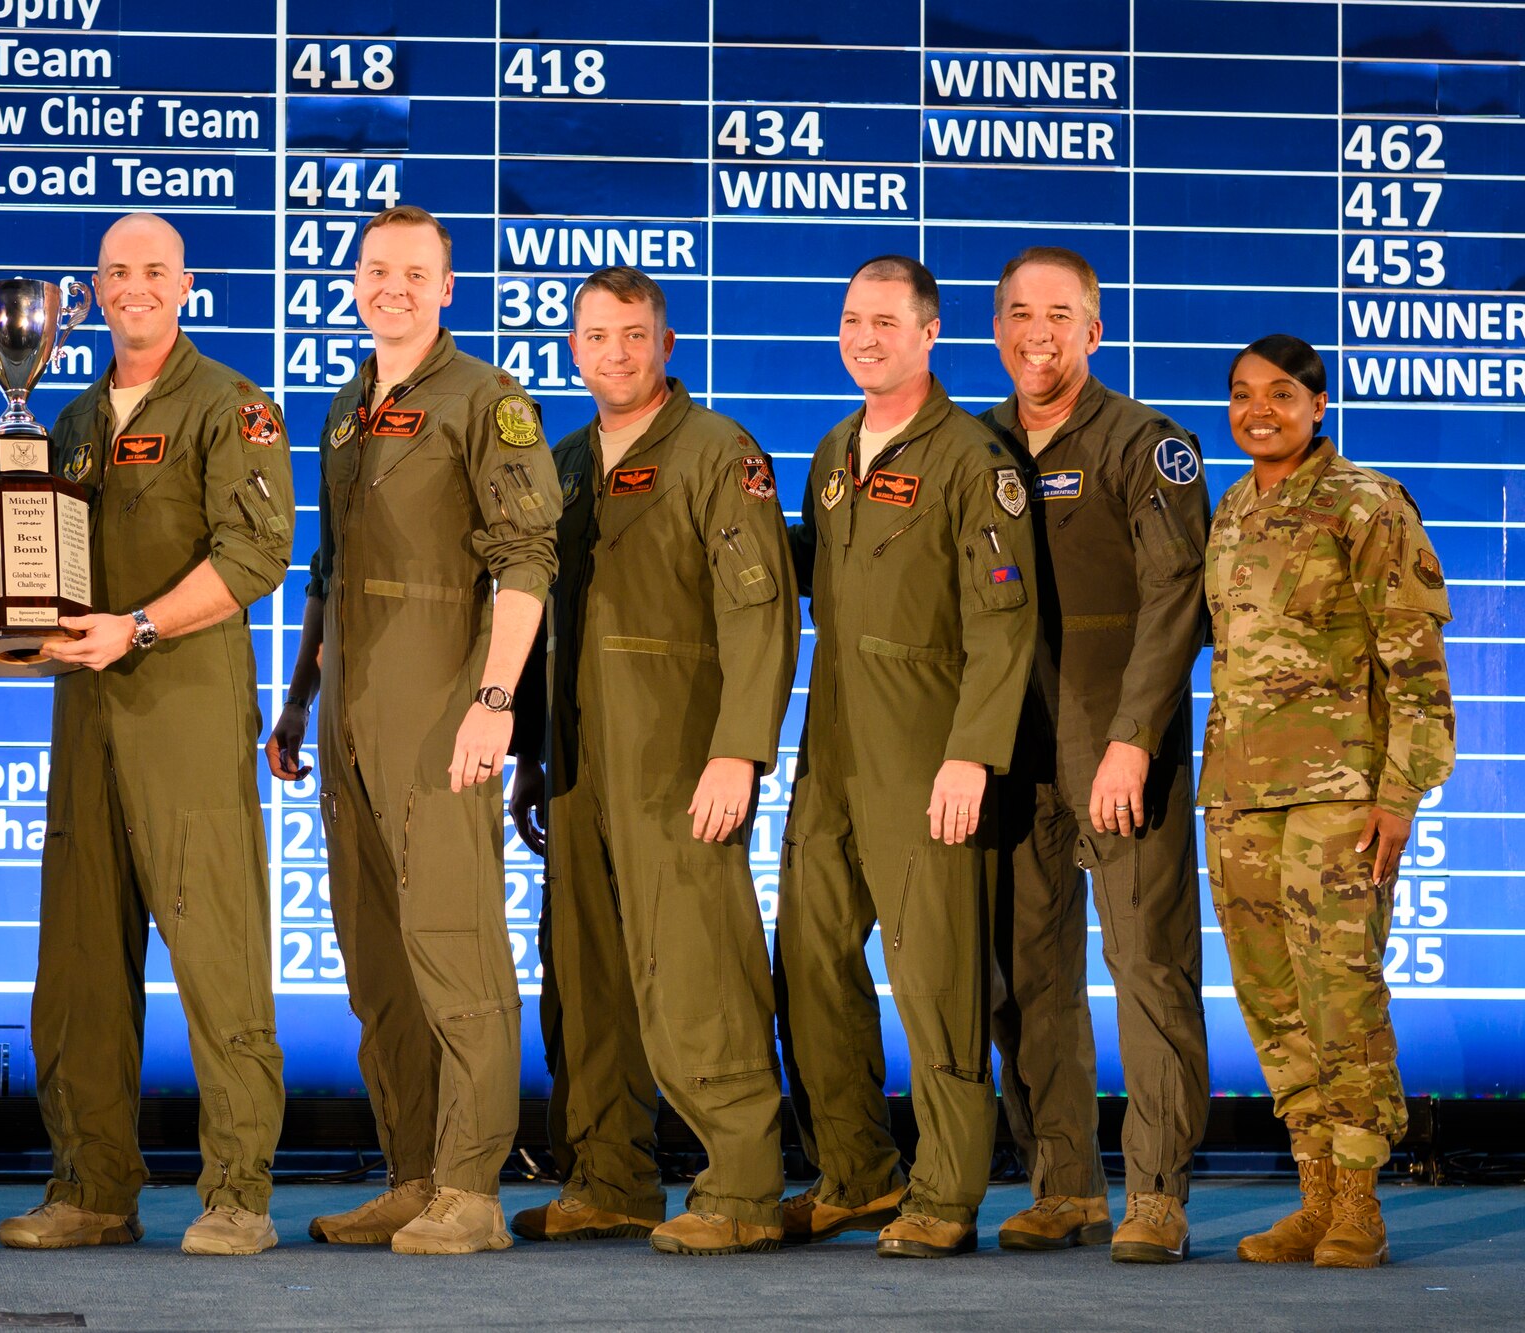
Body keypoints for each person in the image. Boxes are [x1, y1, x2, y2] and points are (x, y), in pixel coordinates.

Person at [0, 213, 295, 1257]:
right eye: (116, 271)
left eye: (152, 271)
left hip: (184, 710)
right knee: (78, 960)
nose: (134, 286)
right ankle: (90, 1186)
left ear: (184, 284)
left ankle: (237, 1193)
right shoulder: (70, 419)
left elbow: (256, 553)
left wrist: (137, 625)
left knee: (216, 953)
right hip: (85, 718)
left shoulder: (230, 407)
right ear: (93, 290)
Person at [270, 205, 560, 1255]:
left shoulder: (487, 401)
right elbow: (329, 570)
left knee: (455, 952)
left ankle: (472, 1187)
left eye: (413, 272)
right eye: (374, 269)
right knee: (376, 967)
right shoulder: (348, 406)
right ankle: (411, 1174)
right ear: (354, 282)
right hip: (346, 729)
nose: (390, 286)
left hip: (442, 719)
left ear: (446, 288)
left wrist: (493, 703)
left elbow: (526, 561)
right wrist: (298, 698)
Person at [504, 267, 797, 1255]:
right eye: (595, 336)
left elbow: (759, 611)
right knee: (583, 979)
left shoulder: (719, 453)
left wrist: (738, 750)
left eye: (633, 335)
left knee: (697, 969)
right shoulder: (562, 463)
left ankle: (744, 1188)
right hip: (580, 767)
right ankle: (610, 1178)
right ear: (571, 349)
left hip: (680, 762)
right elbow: (539, 626)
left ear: (664, 345)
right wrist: (532, 760)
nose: (614, 354)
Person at [776, 255, 1036, 1258]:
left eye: (885, 322)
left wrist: (970, 755)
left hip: (927, 756)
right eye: (851, 320)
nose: (864, 338)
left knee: (934, 981)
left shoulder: (975, 459)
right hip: (830, 755)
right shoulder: (835, 450)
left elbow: (1003, 622)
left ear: (929, 334)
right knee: (805, 963)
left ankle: (946, 1190)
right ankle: (855, 1173)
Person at [978, 248, 1211, 1262]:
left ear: (1093, 331)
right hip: (1006, 750)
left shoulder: (1142, 444)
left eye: (1059, 314)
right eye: (1020, 313)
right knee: (1022, 976)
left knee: (1146, 966)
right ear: (996, 330)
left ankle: (1154, 1194)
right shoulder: (970, 443)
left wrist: (1130, 738)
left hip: (1116, 747)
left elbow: (1176, 598)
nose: (1038, 331)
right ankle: (1063, 1183)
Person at [1204, 334, 1453, 1270]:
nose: (1257, 410)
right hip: (1239, 797)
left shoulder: (1366, 503)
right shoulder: (1230, 509)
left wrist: (1401, 793)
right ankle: (1312, 1195)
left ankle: (1360, 1202)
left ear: (1317, 404)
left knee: (1340, 994)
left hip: (1338, 796)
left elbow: (1415, 663)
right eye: (1240, 396)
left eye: (1278, 394)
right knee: (1272, 1000)